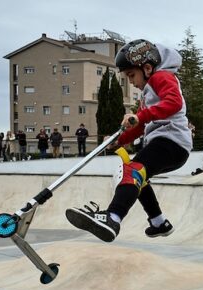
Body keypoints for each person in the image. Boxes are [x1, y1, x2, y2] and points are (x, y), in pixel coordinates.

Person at [65, 38, 192, 242]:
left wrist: (140, 116)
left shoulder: (161, 78)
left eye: (132, 75)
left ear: (148, 68)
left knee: (131, 171)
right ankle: (159, 222)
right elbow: (140, 126)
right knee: (136, 178)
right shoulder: (148, 93)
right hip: (167, 143)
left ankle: (113, 217)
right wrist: (120, 139)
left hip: (171, 140)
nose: (131, 81)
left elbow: (174, 103)